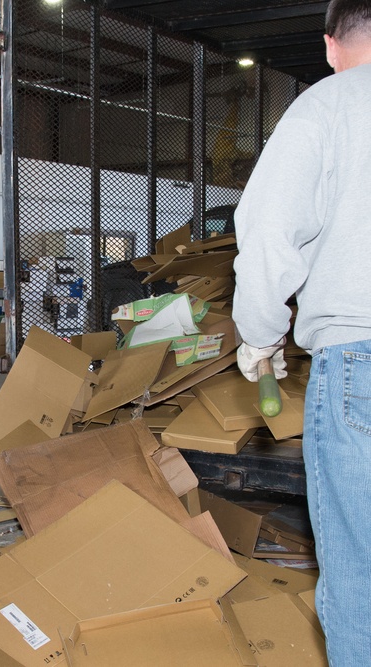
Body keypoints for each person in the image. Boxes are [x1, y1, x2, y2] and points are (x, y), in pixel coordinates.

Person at [232, 1, 371, 664]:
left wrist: (260, 336)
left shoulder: (328, 106)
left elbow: (268, 237)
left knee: (361, 579)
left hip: (359, 356)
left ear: (329, 44)